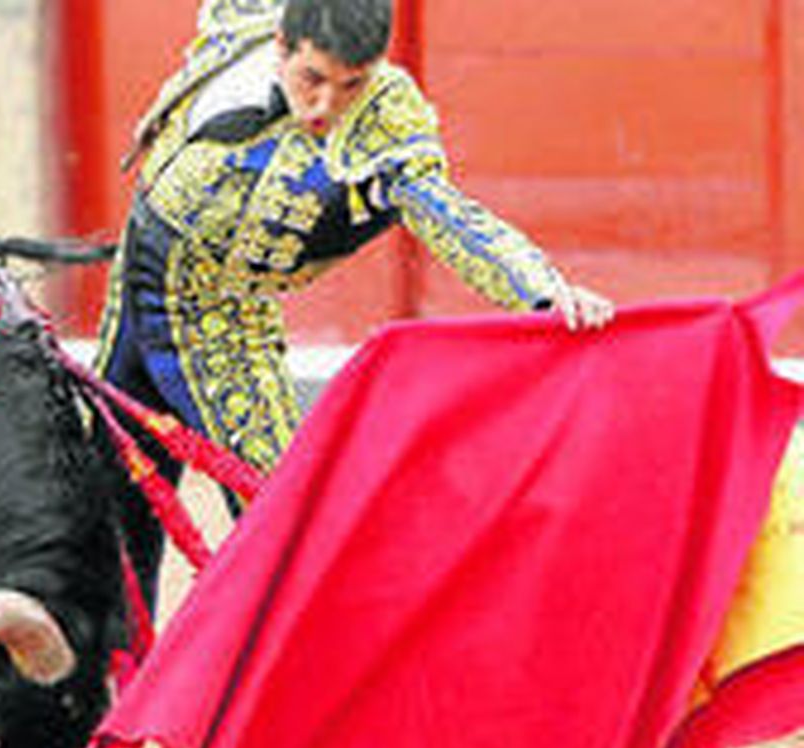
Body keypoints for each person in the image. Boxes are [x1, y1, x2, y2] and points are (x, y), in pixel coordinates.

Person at [94, 0, 615, 580]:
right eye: (312, 78)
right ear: (282, 46)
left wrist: (542, 291)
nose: (327, 105)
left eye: (352, 84)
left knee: (284, 523)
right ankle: (117, 661)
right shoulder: (248, 17)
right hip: (136, 268)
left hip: (219, 319)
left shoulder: (385, 119)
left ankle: (270, 663)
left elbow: (448, 216)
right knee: (110, 487)